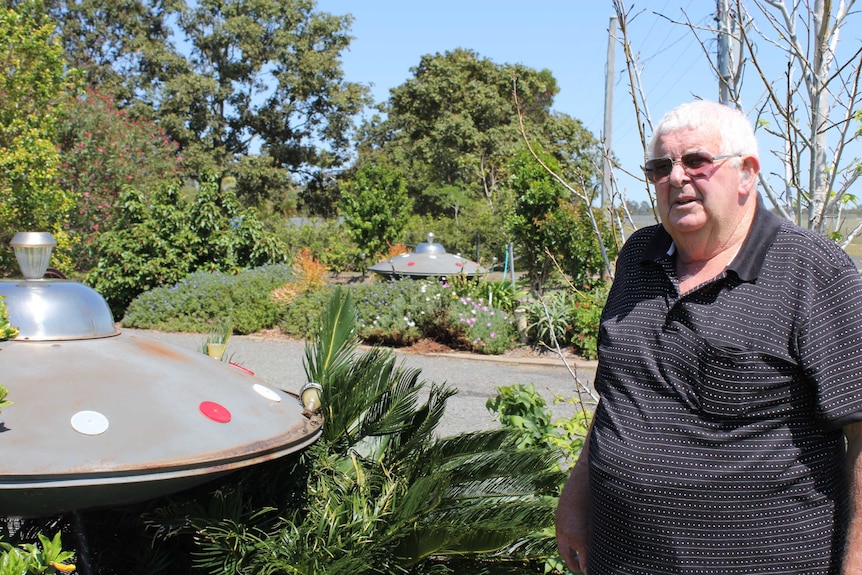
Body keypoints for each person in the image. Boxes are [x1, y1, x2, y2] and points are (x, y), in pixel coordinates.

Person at [555, 99, 862, 575]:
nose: (676, 178)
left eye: (696, 161)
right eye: (660, 167)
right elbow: (620, 394)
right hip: (621, 559)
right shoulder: (639, 256)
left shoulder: (810, 269)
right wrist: (576, 499)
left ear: (746, 173)